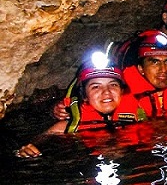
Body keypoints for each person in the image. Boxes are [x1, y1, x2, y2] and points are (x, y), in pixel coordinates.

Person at [15, 51, 144, 158]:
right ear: (85, 96)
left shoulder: (140, 118)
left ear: (122, 91)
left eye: (113, 85)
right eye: (95, 87)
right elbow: (40, 140)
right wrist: (27, 150)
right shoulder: (69, 126)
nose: (106, 92)